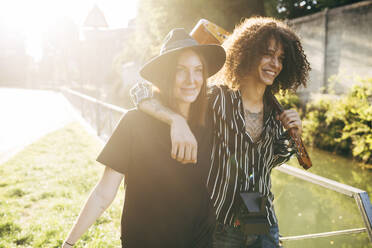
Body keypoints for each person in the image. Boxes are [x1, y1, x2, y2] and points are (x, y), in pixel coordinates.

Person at [130, 17, 311, 247]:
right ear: (248, 53)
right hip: (219, 225)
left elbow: (266, 165)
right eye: (267, 54)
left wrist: (294, 134)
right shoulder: (216, 99)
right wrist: (176, 120)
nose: (275, 63)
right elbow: (141, 90)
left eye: (281, 58)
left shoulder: (278, 115)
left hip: (260, 220)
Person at [62, 28, 226, 248]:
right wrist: (69, 244)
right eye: (181, 70)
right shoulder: (134, 123)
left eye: (198, 70)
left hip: (199, 242)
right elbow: (103, 193)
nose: (192, 79)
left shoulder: (214, 120)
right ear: (165, 75)